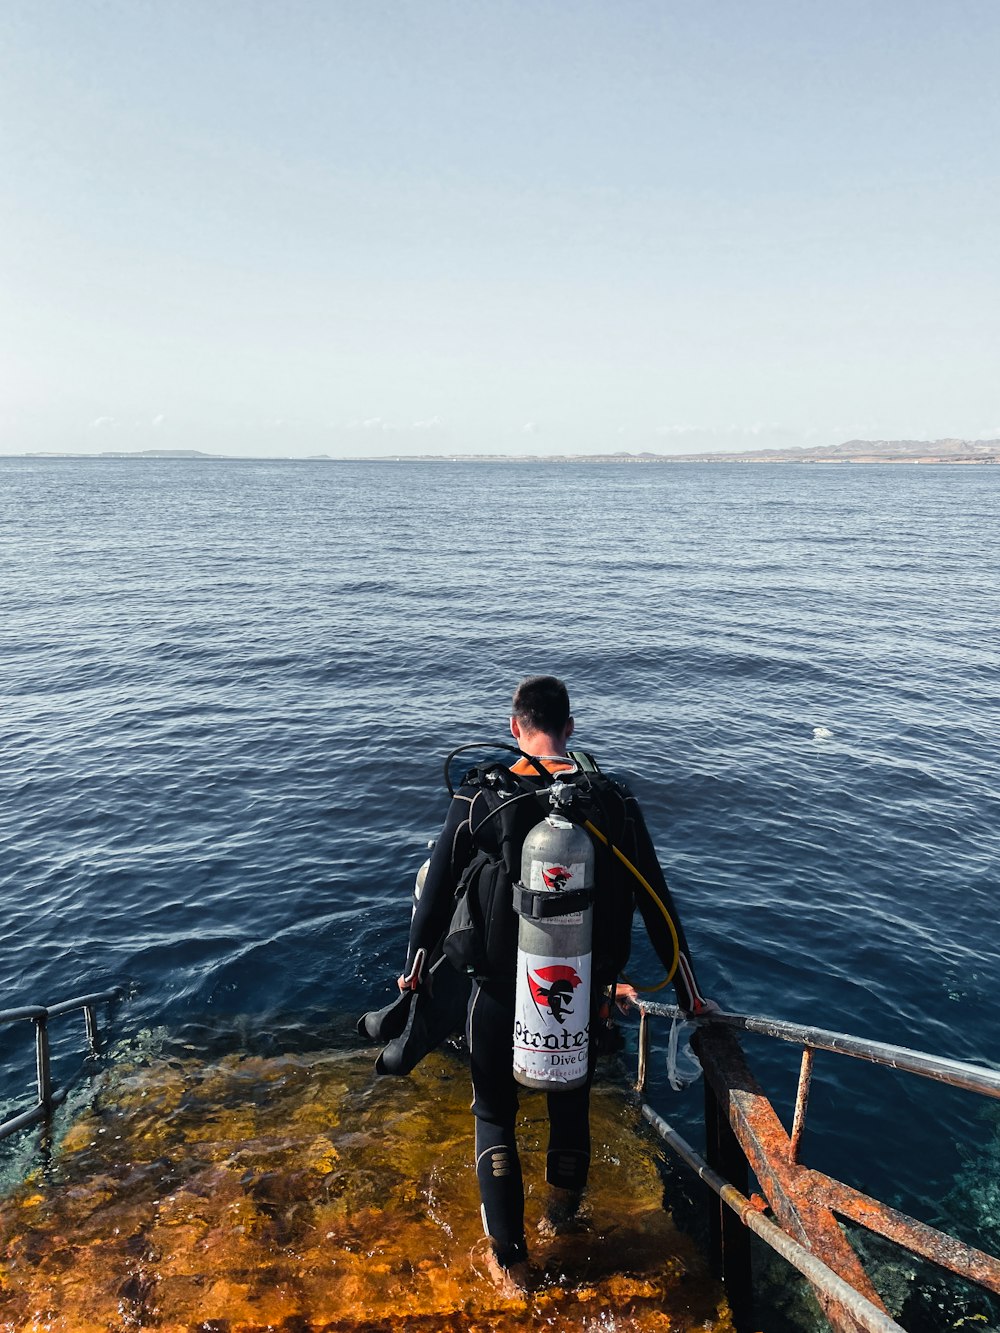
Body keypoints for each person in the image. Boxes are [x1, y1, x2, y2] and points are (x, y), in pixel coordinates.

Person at [397, 675, 709, 1294]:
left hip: (497, 989)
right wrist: (690, 995)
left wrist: (414, 969)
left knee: (494, 1113)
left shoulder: (484, 796)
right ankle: (562, 1223)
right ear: (570, 727)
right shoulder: (613, 800)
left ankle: (512, 1266)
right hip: (580, 991)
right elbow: (659, 906)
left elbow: (434, 898)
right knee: (569, 1109)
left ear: (516, 726)